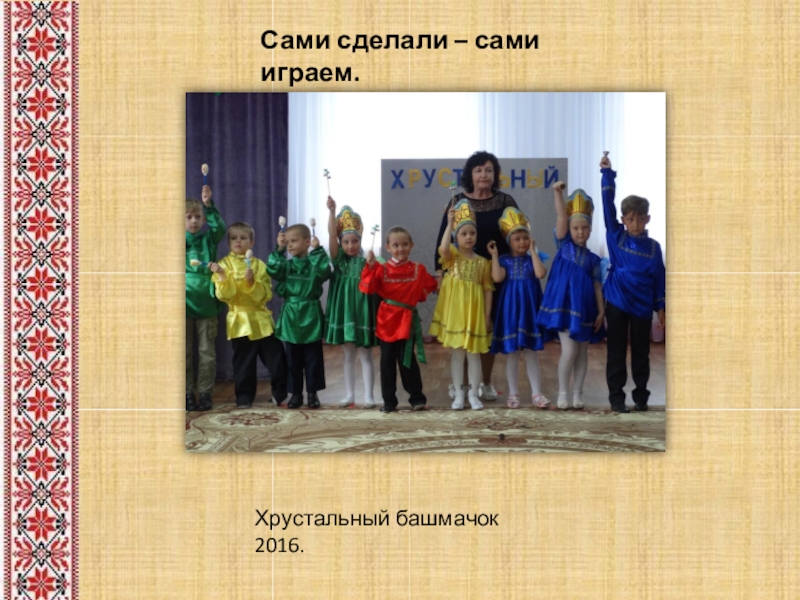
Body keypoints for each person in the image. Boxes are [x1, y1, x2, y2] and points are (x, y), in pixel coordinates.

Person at [434, 151, 519, 402]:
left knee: (486, 329)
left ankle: (486, 382)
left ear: (495, 175)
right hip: (461, 276)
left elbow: (516, 235)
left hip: (494, 273)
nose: (484, 174)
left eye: (489, 170)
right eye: (479, 170)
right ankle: (460, 385)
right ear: (470, 175)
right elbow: (443, 238)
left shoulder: (505, 201)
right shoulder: (457, 200)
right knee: (463, 332)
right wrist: (439, 272)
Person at [600, 153, 666, 413]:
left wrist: (660, 307)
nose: (635, 223)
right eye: (630, 219)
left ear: (647, 218)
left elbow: (659, 278)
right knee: (616, 351)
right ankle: (616, 399)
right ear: (623, 220)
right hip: (617, 301)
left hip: (642, 306)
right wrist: (607, 174)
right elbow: (607, 206)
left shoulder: (654, 247)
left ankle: (641, 397)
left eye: (640, 218)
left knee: (641, 353)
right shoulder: (616, 237)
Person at [536, 182, 605, 410]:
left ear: (590, 229)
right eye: (575, 228)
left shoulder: (593, 260)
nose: (580, 232)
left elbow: (597, 286)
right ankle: (563, 392)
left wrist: (601, 311)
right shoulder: (563, 244)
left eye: (584, 228)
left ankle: (578, 393)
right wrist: (557, 193)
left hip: (585, 309)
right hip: (564, 307)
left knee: (582, 352)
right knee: (570, 350)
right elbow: (561, 216)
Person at [209, 222, 288, 409]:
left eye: (243, 238)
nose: (238, 241)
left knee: (276, 358)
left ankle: (280, 394)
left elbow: (267, 294)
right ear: (229, 242)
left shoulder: (259, 265)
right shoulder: (223, 265)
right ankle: (244, 397)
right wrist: (222, 276)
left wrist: (253, 283)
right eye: (234, 238)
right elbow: (224, 296)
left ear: (251, 242)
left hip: (261, 320)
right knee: (243, 362)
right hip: (239, 321)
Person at [359, 227, 437, 413]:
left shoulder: (418, 269)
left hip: (406, 321)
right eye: (395, 245)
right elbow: (368, 289)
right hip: (386, 321)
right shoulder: (381, 269)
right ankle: (389, 401)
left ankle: (417, 398)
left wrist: (416, 296)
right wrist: (370, 267)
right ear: (388, 247)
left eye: (404, 244)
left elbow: (430, 285)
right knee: (387, 361)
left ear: (411, 245)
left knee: (407, 359)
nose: (400, 248)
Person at [429, 200, 494, 410]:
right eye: (463, 233)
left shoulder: (483, 262)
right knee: (457, 354)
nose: (468, 237)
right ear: (457, 237)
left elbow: (488, 290)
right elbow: (443, 248)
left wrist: (486, 316)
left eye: (472, 233)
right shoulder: (453, 258)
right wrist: (449, 223)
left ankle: (473, 394)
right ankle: (458, 393)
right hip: (456, 314)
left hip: (474, 314)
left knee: (474, 354)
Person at [487, 206, 550, 409]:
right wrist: (494, 255)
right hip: (511, 310)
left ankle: (536, 393)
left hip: (530, 309)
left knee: (531, 352)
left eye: (525, 238)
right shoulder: (505, 260)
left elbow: (540, 274)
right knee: (512, 352)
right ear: (509, 242)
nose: (522, 242)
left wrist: (533, 252)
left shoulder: (532, 260)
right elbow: (497, 277)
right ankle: (513, 393)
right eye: (517, 239)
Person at [267, 224, 330, 409]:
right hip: (291, 315)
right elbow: (273, 270)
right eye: (287, 242)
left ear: (307, 242)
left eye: (294, 241)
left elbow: (325, 271)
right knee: (292, 359)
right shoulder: (286, 266)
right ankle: (295, 393)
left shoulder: (314, 263)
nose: (290, 245)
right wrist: (279, 250)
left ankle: (312, 393)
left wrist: (318, 251)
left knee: (313, 357)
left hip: (310, 313)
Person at [325, 198, 380, 408]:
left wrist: (373, 266)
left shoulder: (366, 262)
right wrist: (332, 212)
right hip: (345, 313)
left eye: (354, 241)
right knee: (348, 355)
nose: (350, 245)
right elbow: (332, 235)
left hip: (362, 313)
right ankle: (349, 395)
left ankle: (369, 396)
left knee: (366, 355)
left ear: (360, 241)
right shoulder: (338, 260)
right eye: (346, 242)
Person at [185, 185, 225, 411]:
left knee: (206, 352)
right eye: (188, 217)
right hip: (183, 303)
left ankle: (205, 393)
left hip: (207, 305)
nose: (193, 221)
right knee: (184, 352)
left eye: (197, 217)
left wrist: (208, 206)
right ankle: (187, 393)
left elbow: (219, 228)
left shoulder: (208, 240)